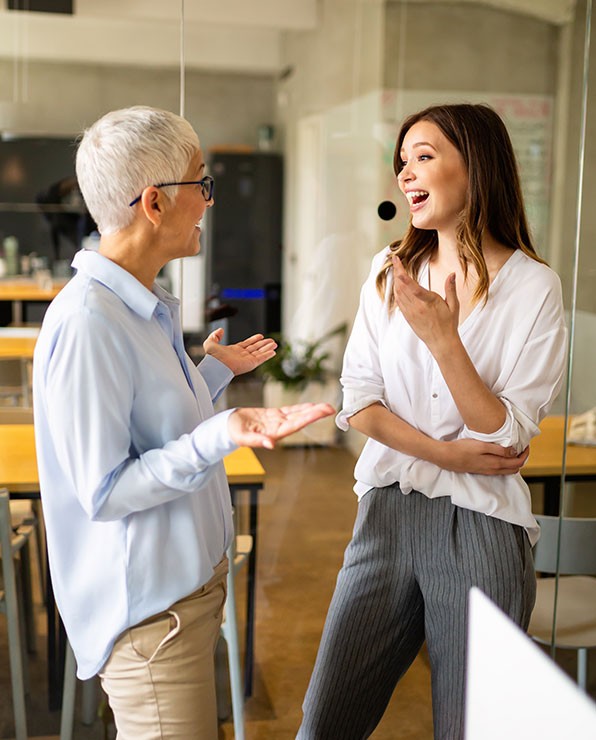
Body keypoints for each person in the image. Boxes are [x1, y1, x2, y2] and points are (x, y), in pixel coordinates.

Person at [32, 105, 333, 740]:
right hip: (151, 622)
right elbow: (105, 490)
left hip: (183, 602)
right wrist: (222, 433)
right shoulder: (91, 321)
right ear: (155, 203)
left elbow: (152, 426)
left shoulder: (142, 305)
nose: (210, 202)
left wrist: (210, 375)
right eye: (204, 185)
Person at [296, 103, 568, 740]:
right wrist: (446, 454)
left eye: (424, 156)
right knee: (324, 722)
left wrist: (446, 342)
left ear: (475, 166)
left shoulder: (534, 288)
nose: (405, 175)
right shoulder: (388, 271)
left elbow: (504, 437)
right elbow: (359, 401)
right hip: (385, 516)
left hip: (482, 528)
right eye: (402, 161)